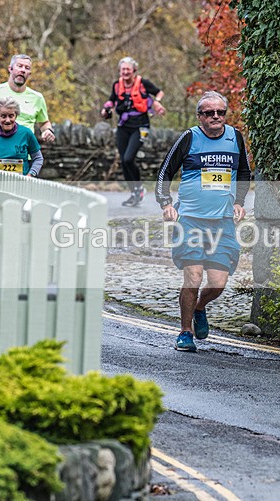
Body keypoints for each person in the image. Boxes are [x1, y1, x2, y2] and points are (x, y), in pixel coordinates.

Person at [155, 91, 251, 352]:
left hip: (222, 221)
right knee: (193, 276)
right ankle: (185, 332)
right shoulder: (189, 138)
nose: (216, 117)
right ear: (200, 117)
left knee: (218, 282)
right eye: (209, 113)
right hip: (190, 220)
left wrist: (239, 202)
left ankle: (200, 307)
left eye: (220, 112)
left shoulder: (235, 138)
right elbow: (165, 172)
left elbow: (243, 172)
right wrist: (166, 204)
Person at [101, 57, 166, 207]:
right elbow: (112, 100)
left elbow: (159, 92)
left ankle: (139, 188)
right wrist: (106, 108)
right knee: (124, 160)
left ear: (134, 70)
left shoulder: (143, 83)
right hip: (123, 126)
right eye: (122, 69)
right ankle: (134, 192)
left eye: (128, 69)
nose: (125, 72)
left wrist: (157, 102)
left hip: (141, 126)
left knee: (129, 158)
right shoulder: (117, 85)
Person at [0, 54, 56, 144]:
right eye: (19, 66)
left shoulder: (37, 98)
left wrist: (47, 131)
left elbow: (44, 123)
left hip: (24, 154)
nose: (23, 70)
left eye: (27, 68)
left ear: (29, 73)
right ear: (10, 69)